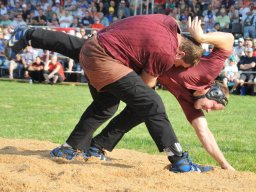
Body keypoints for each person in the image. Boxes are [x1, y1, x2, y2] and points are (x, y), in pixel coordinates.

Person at [7, 15, 206, 173]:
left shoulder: (169, 22)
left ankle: (71, 147)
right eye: (177, 65)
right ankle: (179, 161)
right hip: (104, 57)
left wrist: (200, 39)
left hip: (100, 42)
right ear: (179, 54)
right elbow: (145, 88)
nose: (173, 66)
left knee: (105, 106)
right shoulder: (167, 52)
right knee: (152, 104)